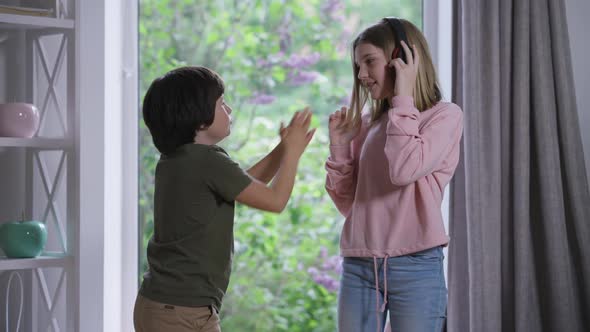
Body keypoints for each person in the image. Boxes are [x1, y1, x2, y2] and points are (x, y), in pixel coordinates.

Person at [134, 66, 315, 332]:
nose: (229, 110)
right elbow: (275, 200)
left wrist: (283, 149)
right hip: (180, 312)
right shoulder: (207, 161)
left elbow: (245, 184)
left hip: (173, 307)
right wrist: (293, 154)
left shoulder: (181, 159)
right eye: (221, 103)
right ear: (199, 119)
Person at [325, 17, 463, 332]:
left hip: (416, 266)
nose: (361, 75)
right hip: (360, 265)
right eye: (357, 66)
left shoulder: (445, 116)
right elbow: (350, 203)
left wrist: (403, 99)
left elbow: (405, 169)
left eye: (369, 62)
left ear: (401, 60)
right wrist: (340, 148)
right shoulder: (366, 123)